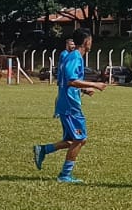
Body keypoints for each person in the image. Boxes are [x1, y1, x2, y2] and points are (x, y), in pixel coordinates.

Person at [32, 30, 108, 184]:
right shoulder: (75, 57)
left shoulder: (73, 57)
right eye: (91, 40)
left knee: (71, 139)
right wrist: (95, 84)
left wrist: (84, 90)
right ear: (86, 42)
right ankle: (65, 175)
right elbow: (70, 80)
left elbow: (68, 80)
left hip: (66, 102)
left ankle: (43, 150)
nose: (91, 43)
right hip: (70, 105)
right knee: (80, 139)